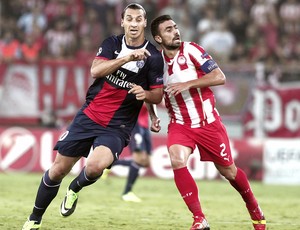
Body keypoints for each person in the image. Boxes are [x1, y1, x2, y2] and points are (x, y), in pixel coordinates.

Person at [22, 3, 163, 230]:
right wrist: (127, 59)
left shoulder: (154, 57)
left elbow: (156, 95)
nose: (134, 23)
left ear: (145, 23)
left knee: (96, 167)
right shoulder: (112, 44)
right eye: (130, 19)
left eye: (139, 19)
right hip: (89, 116)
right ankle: (34, 219)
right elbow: (95, 71)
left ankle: (74, 189)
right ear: (122, 22)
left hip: (119, 125)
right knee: (58, 169)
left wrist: (147, 99)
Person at [150, 15, 266, 230]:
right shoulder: (156, 64)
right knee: (176, 159)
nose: (175, 31)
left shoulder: (192, 50)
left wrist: (189, 84)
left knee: (229, 172)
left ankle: (254, 207)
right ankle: (199, 219)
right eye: (168, 30)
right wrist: (152, 115)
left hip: (208, 123)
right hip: (180, 124)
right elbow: (152, 92)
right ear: (158, 37)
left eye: (175, 27)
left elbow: (219, 77)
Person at [106, 103, 156, 202]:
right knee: (138, 159)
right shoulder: (137, 88)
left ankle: (111, 163)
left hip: (145, 126)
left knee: (146, 162)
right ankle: (127, 193)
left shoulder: (153, 89)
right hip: (136, 124)